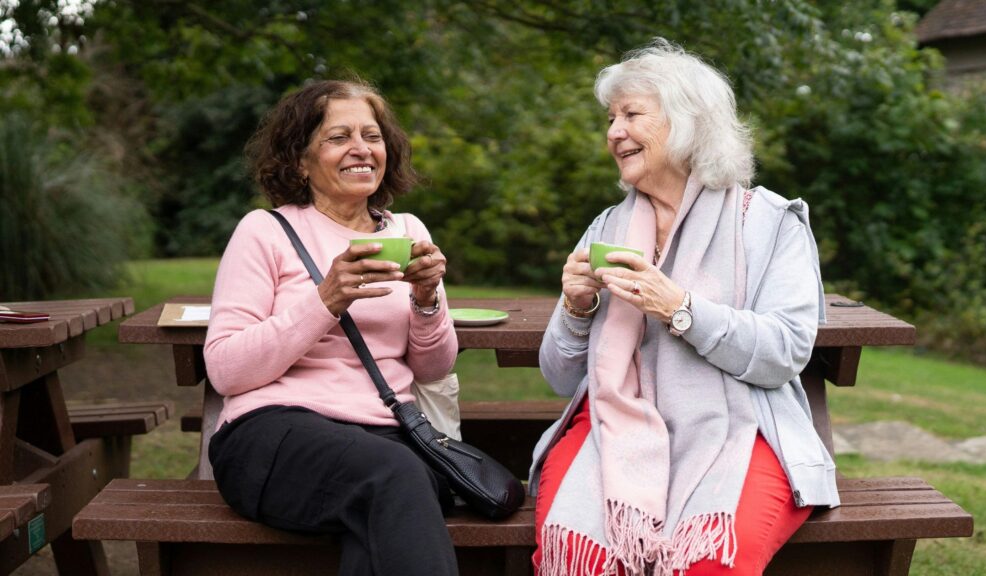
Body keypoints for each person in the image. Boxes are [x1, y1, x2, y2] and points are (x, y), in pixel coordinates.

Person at [529, 39, 839, 576]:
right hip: (614, 430)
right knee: (585, 558)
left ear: (687, 122)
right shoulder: (607, 229)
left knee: (707, 564)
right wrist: (576, 308)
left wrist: (680, 308)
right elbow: (560, 378)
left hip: (741, 427)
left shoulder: (768, 222)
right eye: (610, 118)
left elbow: (784, 352)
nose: (613, 132)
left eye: (631, 115)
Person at [203, 79, 459, 576]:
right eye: (338, 137)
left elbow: (433, 365)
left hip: (388, 435)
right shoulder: (265, 231)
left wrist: (427, 300)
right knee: (397, 480)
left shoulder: (409, 231)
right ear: (300, 160)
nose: (361, 148)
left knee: (388, 504)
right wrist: (325, 300)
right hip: (274, 432)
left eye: (372, 135)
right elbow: (226, 371)